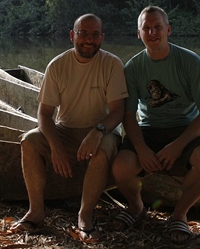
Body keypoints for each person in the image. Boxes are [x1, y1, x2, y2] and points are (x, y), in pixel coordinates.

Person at [8, 13, 128, 241]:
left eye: (95, 35)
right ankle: (36, 211)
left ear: (102, 38)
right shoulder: (57, 65)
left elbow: (118, 112)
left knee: (102, 149)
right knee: (29, 140)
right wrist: (56, 147)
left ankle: (85, 216)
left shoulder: (112, 64)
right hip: (65, 130)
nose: (88, 40)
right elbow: (44, 114)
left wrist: (97, 131)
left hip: (102, 130)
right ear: (72, 35)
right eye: (83, 33)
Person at [111, 6, 200, 245]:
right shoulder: (133, 68)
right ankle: (136, 206)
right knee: (120, 167)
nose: (152, 32)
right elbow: (128, 115)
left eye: (157, 27)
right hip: (149, 129)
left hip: (185, 128)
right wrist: (141, 148)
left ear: (168, 30)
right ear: (138, 34)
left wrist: (178, 145)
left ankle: (179, 214)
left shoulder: (190, 62)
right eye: (146, 28)